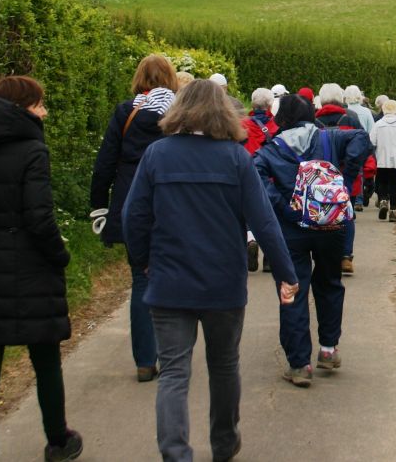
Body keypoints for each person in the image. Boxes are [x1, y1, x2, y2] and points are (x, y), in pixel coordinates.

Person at [124, 79, 299, 462]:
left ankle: (175, 453)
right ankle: (224, 443)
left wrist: (144, 264)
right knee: (223, 366)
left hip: (169, 281)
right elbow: (264, 222)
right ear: (222, 113)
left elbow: (132, 217)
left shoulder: (156, 155)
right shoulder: (235, 158)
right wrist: (286, 273)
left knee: (172, 372)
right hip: (223, 282)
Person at [0, 76, 83, 462]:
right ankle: (58, 441)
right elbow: (40, 218)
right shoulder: (33, 150)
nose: (44, 111)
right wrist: (58, 256)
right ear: (23, 109)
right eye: (40, 105)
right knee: (45, 361)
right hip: (33, 268)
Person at [253, 94, 371, 387]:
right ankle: (328, 350)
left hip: (291, 230)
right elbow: (363, 139)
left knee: (292, 290)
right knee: (330, 283)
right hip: (331, 226)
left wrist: (284, 207)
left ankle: (299, 364)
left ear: (280, 119)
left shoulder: (270, 150)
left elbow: (257, 180)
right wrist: (344, 180)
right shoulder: (328, 138)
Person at [91, 53, 179, 382]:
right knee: (170, 275)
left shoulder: (125, 112)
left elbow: (105, 164)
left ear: (139, 78)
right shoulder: (179, 115)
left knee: (140, 279)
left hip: (131, 202)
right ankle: (172, 351)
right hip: (169, 201)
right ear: (171, 79)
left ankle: (145, 360)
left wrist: (99, 207)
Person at [314, 83, 375, 274]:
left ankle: (323, 256)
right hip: (346, 174)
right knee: (346, 213)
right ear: (341, 99)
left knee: (320, 214)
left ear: (321, 100)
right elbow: (363, 144)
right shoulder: (351, 118)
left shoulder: (314, 120)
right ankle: (345, 256)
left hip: (321, 175)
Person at [242, 87, 280, 272]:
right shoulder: (276, 127)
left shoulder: (242, 125)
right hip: (270, 176)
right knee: (270, 216)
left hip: (247, 173)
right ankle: (269, 259)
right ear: (270, 105)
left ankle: (251, 239)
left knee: (248, 212)